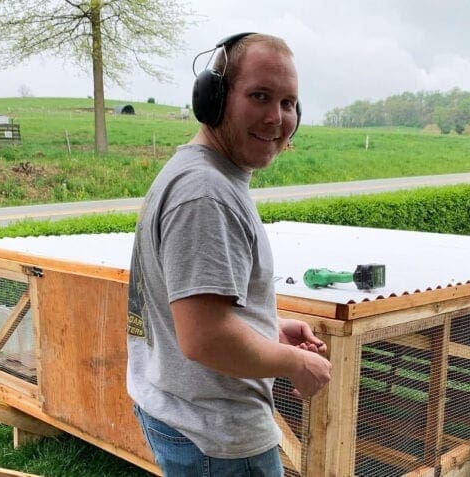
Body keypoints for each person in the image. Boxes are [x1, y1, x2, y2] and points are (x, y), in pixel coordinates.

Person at [127, 32, 332, 477]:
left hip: (182, 413)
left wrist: (267, 328)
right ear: (213, 99)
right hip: (217, 439)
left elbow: (191, 309)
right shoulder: (207, 195)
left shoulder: (199, 174)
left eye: (289, 102)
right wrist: (297, 363)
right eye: (259, 95)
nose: (277, 118)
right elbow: (205, 338)